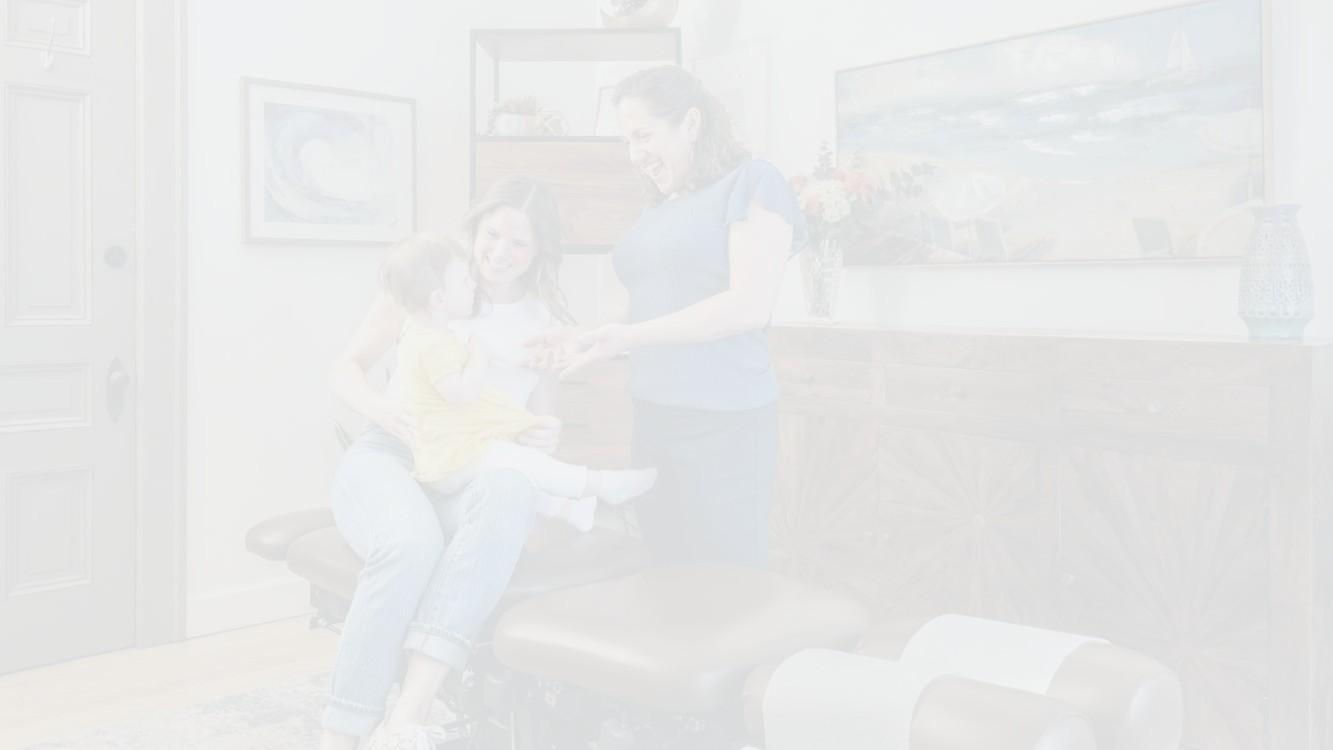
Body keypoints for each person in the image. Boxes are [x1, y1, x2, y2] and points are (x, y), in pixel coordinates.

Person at [321, 179, 571, 750]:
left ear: (540, 252)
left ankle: (408, 718)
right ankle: (341, 734)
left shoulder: (544, 321)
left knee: (512, 488)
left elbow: (540, 422)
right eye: (493, 235)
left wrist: (546, 432)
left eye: (520, 244)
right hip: (394, 454)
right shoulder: (427, 284)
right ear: (475, 229)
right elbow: (345, 369)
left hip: (468, 474)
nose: (501, 253)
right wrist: (380, 409)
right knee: (411, 543)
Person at [529, 66, 806, 567]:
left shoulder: (752, 182)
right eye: (627, 142)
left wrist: (629, 337)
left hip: (724, 422)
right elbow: (645, 302)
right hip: (654, 416)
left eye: (643, 136)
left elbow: (749, 304)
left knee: (726, 580)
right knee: (664, 570)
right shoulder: (657, 209)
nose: (635, 155)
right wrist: (583, 337)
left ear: (691, 124)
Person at [379, 233, 657, 532]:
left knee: (521, 469)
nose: (472, 284)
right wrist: (479, 358)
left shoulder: (430, 333)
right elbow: (461, 395)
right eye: (464, 281)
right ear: (439, 299)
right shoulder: (431, 344)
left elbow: (497, 357)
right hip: (450, 458)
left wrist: (526, 359)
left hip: (451, 452)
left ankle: (573, 509)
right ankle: (601, 485)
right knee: (522, 461)